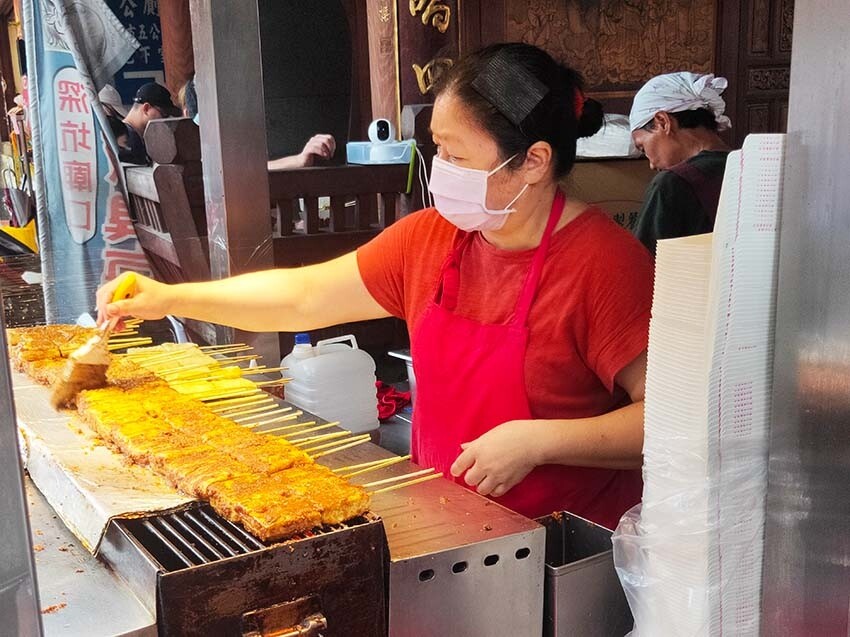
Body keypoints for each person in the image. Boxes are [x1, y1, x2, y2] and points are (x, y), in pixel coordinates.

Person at [97, 43, 654, 530]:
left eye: (457, 156)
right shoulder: (430, 239)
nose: (440, 170)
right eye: (437, 149)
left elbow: (665, 420)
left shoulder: (604, 263)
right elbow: (303, 296)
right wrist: (168, 297)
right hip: (446, 523)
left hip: (564, 551)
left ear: (532, 161)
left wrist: (539, 441)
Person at [629, 72, 732, 255]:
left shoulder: (671, 183)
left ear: (663, 122)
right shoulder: (752, 167)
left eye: (643, 147)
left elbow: (640, 265)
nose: (651, 165)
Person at [178, 76, 335, 169]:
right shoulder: (199, 155)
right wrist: (299, 160)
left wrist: (300, 160)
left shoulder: (172, 159)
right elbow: (238, 176)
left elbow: (246, 173)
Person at [119, 82, 181, 165]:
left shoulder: (141, 136)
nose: (165, 120)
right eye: (163, 114)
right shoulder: (122, 137)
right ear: (146, 108)